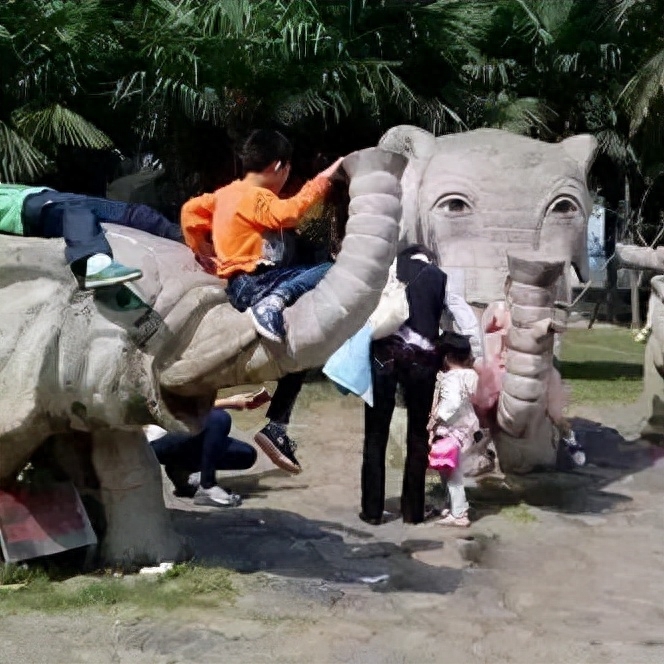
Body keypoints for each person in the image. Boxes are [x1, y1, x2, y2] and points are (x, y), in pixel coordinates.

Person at [180, 129, 342, 474]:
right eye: (287, 172)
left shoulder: (224, 195)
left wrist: (202, 251)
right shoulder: (257, 196)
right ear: (279, 166)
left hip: (241, 286)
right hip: (259, 285)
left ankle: (277, 426)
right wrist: (323, 180)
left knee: (302, 350)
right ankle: (276, 301)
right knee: (329, 268)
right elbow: (290, 213)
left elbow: (191, 211)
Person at [360, 245, 450, 526]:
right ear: (429, 258)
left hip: (384, 357)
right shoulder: (439, 277)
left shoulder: (388, 269)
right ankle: (413, 511)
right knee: (418, 437)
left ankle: (372, 510)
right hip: (423, 362)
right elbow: (453, 318)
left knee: (375, 435)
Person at [0, 183, 183, 289]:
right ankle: (91, 263)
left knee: (130, 211)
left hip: (49, 196)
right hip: (28, 207)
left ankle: (186, 237)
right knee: (77, 211)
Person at [148, 388, 272, 507]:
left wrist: (234, 401)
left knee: (246, 454)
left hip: (181, 437)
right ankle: (207, 486)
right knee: (219, 418)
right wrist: (231, 402)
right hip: (155, 441)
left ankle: (180, 469)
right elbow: (172, 413)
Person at [427, 332, 480, 528]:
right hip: (467, 430)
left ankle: (459, 514)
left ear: (446, 357)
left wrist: (434, 420)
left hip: (453, 432)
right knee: (450, 470)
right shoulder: (471, 375)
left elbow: (451, 403)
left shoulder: (450, 378)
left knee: (452, 474)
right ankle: (452, 506)